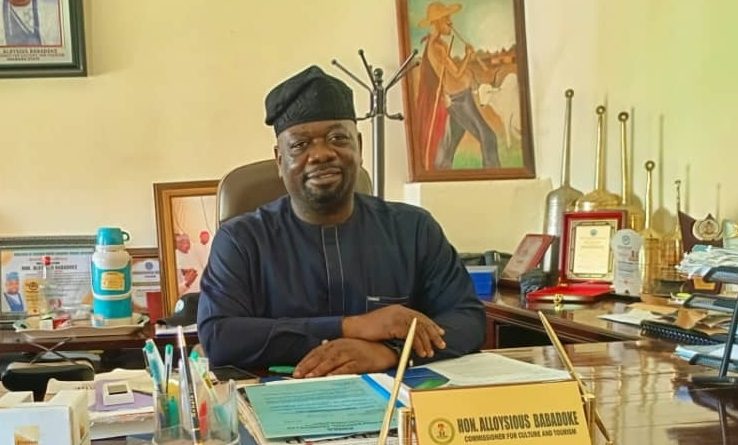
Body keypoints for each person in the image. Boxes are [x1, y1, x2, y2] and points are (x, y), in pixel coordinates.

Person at [198, 65, 485, 377]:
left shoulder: (413, 229)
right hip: (281, 395)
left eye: (337, 138)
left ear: (359, 147)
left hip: (394, 399)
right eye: (300, 145)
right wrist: (354, 326)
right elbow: (219, 336)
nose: (321, 154)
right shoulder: (241, 240)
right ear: (280, 160)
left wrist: (389, 352)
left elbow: (467, 319)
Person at [416, 1, 500, 170]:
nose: (450, 22)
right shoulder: (437, 47)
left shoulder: (436, 44)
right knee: (488, 136)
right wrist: (468, 56)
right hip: (460, 99)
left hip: (458, 97)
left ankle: (440, 172)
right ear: (437, 22)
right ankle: (493, 173)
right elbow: (456, 73)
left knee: (449, 143)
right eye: (446, 19)